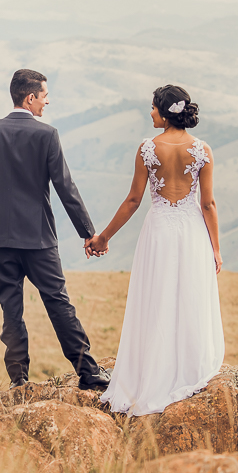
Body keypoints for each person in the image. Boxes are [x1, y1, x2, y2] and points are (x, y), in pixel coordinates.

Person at [86, 84, 225, 415]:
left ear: (164, 112)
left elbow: (134, 200)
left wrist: (104, 236)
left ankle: (151, 371)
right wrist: (216, 249)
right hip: (192, 231)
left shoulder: (147, 148)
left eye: (152, 107)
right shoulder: (203, 150)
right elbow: (208, 204)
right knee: (189, 295)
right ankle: (187, 368)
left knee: (156, 296)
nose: (150, 113)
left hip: (160, 229)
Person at [0, 69, 110, 391]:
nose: (47, 101)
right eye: (44, 96)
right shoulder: (47, 135)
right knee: (58, 303)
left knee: (11, 308)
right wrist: (88, 232)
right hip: (39, 239)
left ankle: (18, 380)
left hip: (0, 238)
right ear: (30, 97)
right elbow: (65, 187)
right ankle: (87, 372)